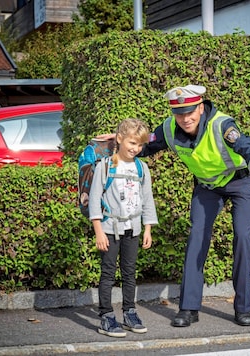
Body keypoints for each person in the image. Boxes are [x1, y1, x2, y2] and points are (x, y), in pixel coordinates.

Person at [141, 84, 250, 327]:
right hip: (208, 187)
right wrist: (117, 144)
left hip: (242, 181)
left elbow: (246, 145)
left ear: (201, 108)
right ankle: (188, 309)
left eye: (190, 112)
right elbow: (145, 145)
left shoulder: (221, 125)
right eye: (179, 113)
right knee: (196, 236)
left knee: (243, 236)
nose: (184, 118)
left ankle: (243, 307)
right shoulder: (169, 129)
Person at [89, 118, 158, 337]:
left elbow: (147, 199)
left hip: (133, 229)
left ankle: (129, 312)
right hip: (110, 228)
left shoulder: (141, 168)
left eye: (139, 145)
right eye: (131, 143)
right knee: (108, 274)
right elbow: (94, 199)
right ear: (119, 139)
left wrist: (147, 228)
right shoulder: (105, 166)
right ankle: (106, 316)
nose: (136, 149)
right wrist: (98, 230)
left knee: (129, 273)